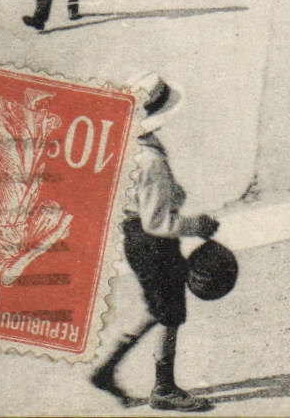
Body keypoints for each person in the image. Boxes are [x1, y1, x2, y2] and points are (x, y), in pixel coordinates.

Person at [90, 73, 220, 412]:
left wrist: (171, 193)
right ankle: (164, 388)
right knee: (170, 314)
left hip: (137, 239)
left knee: (158, 307)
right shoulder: (150, 159)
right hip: (153, 244)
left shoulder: (132, 146)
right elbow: (159, 222)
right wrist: (199, 225)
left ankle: (107, 369)